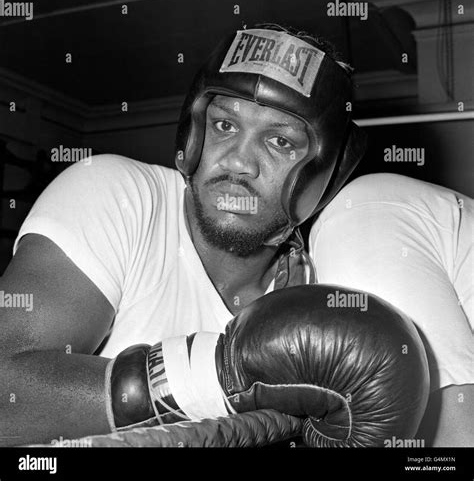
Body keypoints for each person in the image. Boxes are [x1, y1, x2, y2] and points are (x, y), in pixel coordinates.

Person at [0, 24, 469, 446]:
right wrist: (220, 373)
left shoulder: (334, 281)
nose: (238, 161)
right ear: (191, 133)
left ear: (325, 173)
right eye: (224, 126)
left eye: (280, 141)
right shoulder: (118, 195)